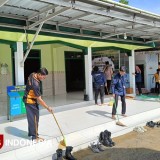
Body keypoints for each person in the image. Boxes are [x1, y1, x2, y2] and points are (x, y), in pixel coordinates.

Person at [23, 67, 53, 141]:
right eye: (43, 76)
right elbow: (39, 99)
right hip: (30, 101)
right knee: (34, 119)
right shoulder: (35, 84)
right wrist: (48, 108)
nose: (44, 78)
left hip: (28, 99)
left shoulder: (32, 74)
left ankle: (31, 133)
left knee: (31, 118)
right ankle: (35, 137)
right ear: (39, 74)